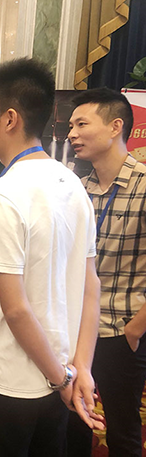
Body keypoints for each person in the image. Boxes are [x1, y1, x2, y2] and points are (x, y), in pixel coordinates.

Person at [0, 58, 103, 456]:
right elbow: (90, 286)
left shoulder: (1, 195)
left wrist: (62, 379)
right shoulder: (73, 184)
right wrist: (80, 369)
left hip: (5, 384)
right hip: (60, 373)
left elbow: (16, 309)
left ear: (10, 119)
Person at [66, 88, 146, 457]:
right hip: (76, 329)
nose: (72, 134)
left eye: (82, 124)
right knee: (73, 423)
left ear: (115, 127)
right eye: (71, 126)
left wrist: (135, 329)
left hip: (122, 331)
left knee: (123, 430)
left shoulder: (143, 184)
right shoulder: (77, 189)